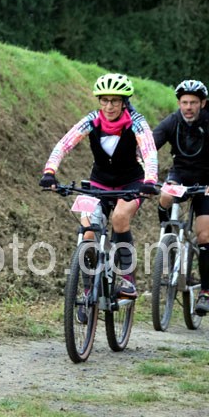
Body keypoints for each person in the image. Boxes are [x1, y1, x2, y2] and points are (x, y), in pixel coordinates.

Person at [39, 73, 159, 300]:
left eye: (114, 101)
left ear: (124, 102)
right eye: (104, 100)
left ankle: (128, 280)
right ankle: (88, 294)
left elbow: (149, 152)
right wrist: (49, 172)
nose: (109, 106)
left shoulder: (136, 122)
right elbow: (64, 144)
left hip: (131, 184)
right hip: (99, 183)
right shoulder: (92, 120)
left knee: (119, 218)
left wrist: (150, 180)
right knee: (88, 234)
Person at [152, 79, 209, 315]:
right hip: (180, 175)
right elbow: (150, 144)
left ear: (203, 103)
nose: (188, 107)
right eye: (184, 102)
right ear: (179, 103)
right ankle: (167, 234)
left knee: (204, 234)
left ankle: (206, 292)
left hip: (206, 180)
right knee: (165, 195)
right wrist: (139, 160)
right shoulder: (173, 121)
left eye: (193, 102)